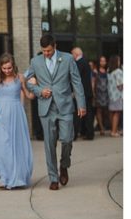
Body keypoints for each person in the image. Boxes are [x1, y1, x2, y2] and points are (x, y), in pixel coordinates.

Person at [26, 35, 87, 191]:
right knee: (49, 145)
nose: (46, 53)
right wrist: (39, 90)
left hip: (65, 106)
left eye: (48, 50)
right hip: (46, 108)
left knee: (67, 139)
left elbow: (76, 81)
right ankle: (53, 178)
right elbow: (27, 80)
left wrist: (81, 104)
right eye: (44, 51)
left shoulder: (67, 59)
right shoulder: (35, 61)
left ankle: (64, 165)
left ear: (55, 46)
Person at [0, 55, 33, 189]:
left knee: (15, 146)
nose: (7, 70)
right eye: (4, 68)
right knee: (1, 146)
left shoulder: (20, 78)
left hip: (16, 115)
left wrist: (35, 87)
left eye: (9, 67)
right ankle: (3, 177)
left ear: (14, 65)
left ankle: (15, 177)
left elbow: (28, 95)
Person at [71, 47, 95, 140]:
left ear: (75, 54)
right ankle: (88, 133)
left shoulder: (79, 63)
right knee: (88, 114)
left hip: (81, 93)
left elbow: (76, 79)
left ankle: (75, 134)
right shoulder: (86, 62)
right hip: (87, 92)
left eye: (72, 54)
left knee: (78, 114)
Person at [92, 56, 110, 135]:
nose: (103, 62)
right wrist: (93, 93)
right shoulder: (95, 72)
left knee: (106, 111)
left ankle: (105, 126)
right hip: (98, 94)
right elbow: (92, 83)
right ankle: (101, 128)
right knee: (99, 111)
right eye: (101, 61)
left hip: (106, 94)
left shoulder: (108, 71)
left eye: (104, 61)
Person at [107, 55, 123, 137]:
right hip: (118, 95)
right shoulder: (118, 71)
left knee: (112, 113)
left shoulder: (109, 71)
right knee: (117, 113)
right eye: (119, 60)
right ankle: (114, 131)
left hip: (111, 95)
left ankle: (113, 129)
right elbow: (120, 85)